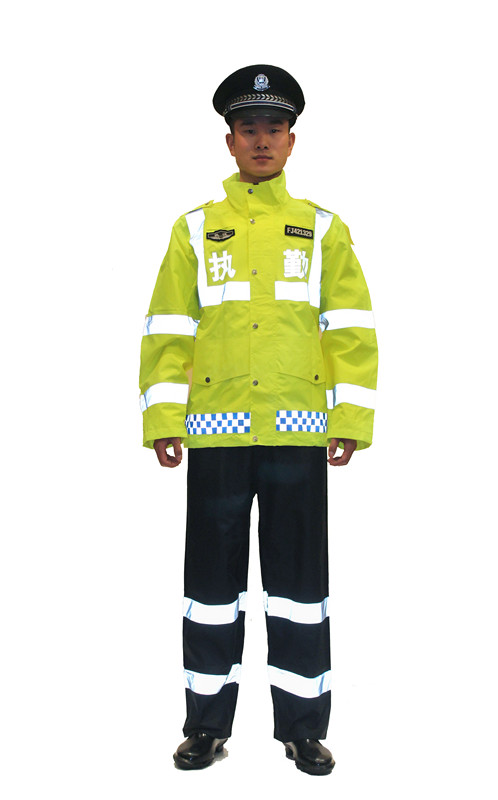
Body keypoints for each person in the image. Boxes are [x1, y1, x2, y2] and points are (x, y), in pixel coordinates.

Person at [139, 64, 378, 776]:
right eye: (250, 129)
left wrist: (349, 418)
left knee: (300, 589)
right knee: (211, 590)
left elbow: (350, 327)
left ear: (292, 140)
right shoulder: (194, 229)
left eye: (275, 128)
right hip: (215, 431)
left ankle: (303, 729)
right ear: (230, 141)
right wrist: (163, 416)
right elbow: (168, 327)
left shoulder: (323, 229)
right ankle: (205, 726)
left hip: (298, 433)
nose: (263, 140)